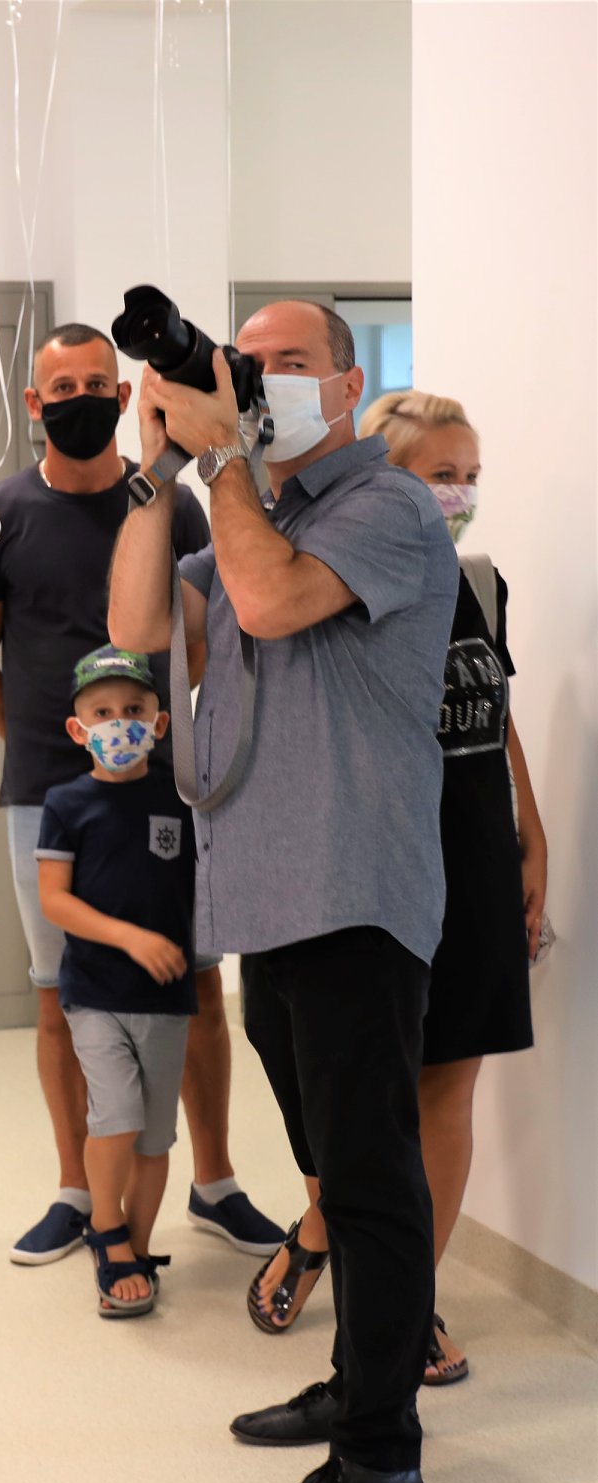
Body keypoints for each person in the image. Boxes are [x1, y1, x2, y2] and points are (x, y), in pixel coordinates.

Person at [108, 300, 458, 1483]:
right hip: (269, 894)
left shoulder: (386, 507)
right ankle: (353, 1381)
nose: (263, 382)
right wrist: (155, 474)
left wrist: (220, 462)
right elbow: (138, 629)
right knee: (331, 1171)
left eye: (290, 364)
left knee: (367, 1176)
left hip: (354, 892)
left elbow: (260, 607)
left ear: (349, 383)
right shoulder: (266, 509)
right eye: (246, 365)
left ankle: (380, 1448)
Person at [0, 322, 280, 1268]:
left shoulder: (170, 507)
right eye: (64, 388)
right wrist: (56, 758)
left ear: (125, 395)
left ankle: (213, 1183)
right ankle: (74, 1190)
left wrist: (153, 738)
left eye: (100, 383)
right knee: (60, 996)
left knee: (197, 981)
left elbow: (205, 635)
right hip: (48, 794)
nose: (82, 400)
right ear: (34, 403)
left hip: (169, 789)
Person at [241, 392, 547, 1387]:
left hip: (475, 852)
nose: (455, 495)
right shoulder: (335, 574)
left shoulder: (477, 580)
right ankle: (321, 1227)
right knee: (352, 1093)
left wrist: (529, 836)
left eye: (468, 476)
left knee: (446, 1085)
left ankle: (407, 1306)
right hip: (373, 853)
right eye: (435, 475)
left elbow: (490, 710)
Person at [36, 649, 198, 1318]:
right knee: (117, 1116)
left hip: (166, 998)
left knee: (155, 1138)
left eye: (133, 710)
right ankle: (105, 1229)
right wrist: (129, 937)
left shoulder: (180, 799)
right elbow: (54, 899)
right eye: (102, 712)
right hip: (95, 994)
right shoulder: (66, 803)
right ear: (79, 731)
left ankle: (135, 1245)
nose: (119, 722)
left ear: (160, 723)